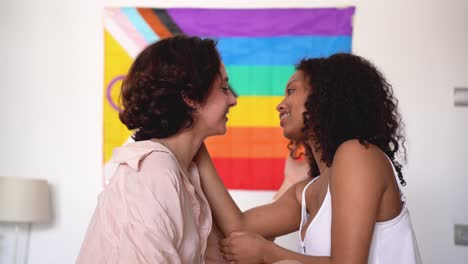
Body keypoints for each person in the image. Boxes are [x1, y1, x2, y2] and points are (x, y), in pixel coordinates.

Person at [195, 53, 421, 263]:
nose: (280, 104)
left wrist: (268, 253)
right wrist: (196, 134)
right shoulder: (307, 191)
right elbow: (239, 226)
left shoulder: (358, 154)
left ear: (326, 95)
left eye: (291, 91)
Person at [77, 35, 237, 263]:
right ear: (190, 97)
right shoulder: (152, 171)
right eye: (223, 87)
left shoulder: (185, 171)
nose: (233, 99)